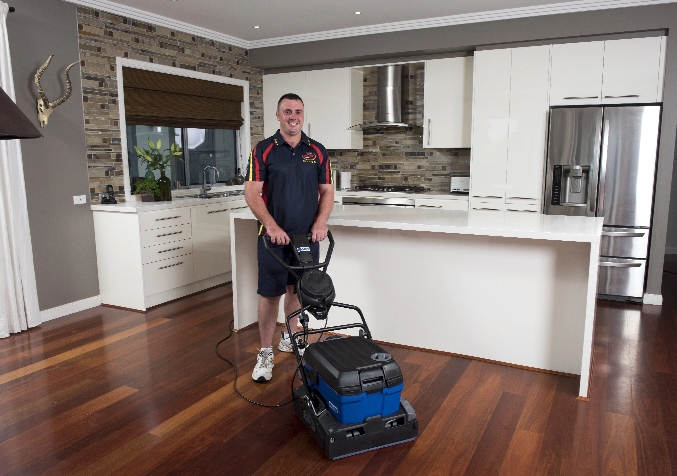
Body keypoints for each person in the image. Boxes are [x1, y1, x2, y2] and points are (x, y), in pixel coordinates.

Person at [244, 93, 334, 382]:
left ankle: (291, 337)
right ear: (278, 115)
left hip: (306, 237)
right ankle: (265, 352)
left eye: (297, 111)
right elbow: (251, 191)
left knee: (298, 290)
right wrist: (270, 225)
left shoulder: (317, 151)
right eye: (287, 111)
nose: (293, 116)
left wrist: (321, 222)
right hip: (273, 237)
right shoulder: (263, 149)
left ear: (303, 115)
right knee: (270, 294)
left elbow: (327, 191)